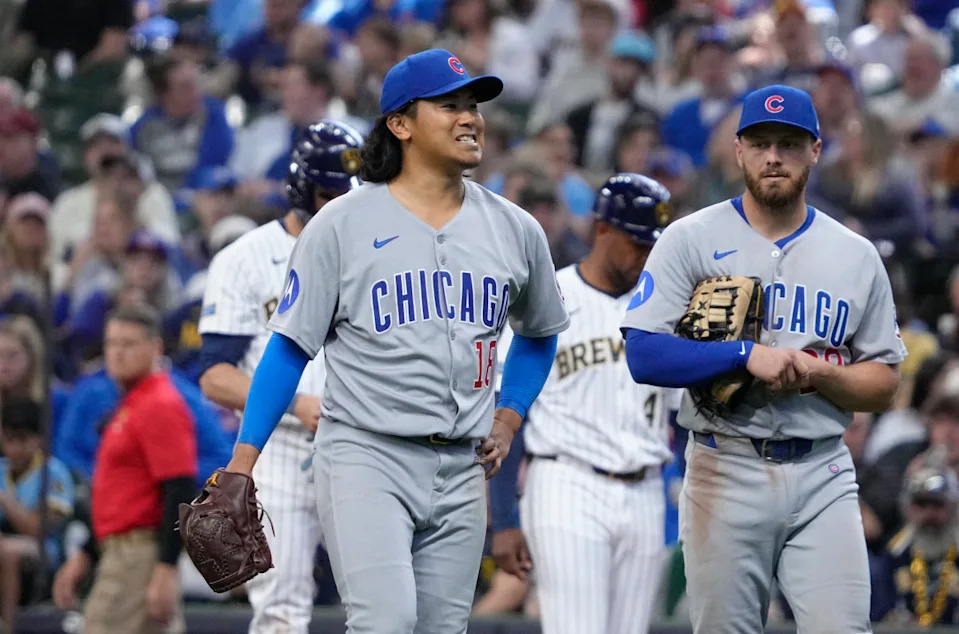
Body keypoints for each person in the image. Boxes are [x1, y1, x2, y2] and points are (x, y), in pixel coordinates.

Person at [215, 48, 568, 633]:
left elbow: (539, 334)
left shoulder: (515, 227)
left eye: (473, 106)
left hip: (462, 464)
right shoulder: (342, 223)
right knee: (384, 622)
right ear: (400, 125)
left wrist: (509, 418)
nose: (469, 118)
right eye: (449, 105)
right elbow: (288, 347)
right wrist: (243, 461)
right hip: (365, 452)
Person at [620, 84, 907, 633]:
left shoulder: (855, 253)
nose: (774, 157)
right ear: (739, 150)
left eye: (789, 144)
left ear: (815, 150)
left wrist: (823, 374)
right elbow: (644, 353)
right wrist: (743, 354)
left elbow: (883, 383)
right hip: (724, 465)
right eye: (761, 143)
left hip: (822, 467)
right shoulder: (690, 238)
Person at [489, 173, 680, 633]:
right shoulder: (550, 295)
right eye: (636, 242)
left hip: (646, 491)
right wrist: (504, 519)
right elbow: (511, 412)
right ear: (602, 230)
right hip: (566, 481)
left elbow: (684, 420)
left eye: (654, 244)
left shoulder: (669, 308)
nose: (645, 255)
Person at [196, 120, 365, 634]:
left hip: (362, 443)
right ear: (302, 189)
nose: (340, 201)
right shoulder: (244, 258)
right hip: (281, 449)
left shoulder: (373, 249)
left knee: (381, 605)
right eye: (329, 192)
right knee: (281, 611)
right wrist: (295, 404)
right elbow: (214, 376)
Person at [51, 304, 198, 634]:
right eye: (111, 343)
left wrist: (164, 568)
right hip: (120, 549)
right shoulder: (132, 403)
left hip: (137, 555)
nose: (117, 353)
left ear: (156, 348)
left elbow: (180, 489)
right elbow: (117, 493)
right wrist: (86, 553)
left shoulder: (159, 404)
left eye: (128, 344)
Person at [0, 398, 75, 633]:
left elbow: (37, 529)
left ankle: (10, 627)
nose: (15, 448)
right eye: (9, 439)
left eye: (23, 440)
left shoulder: (53, 473)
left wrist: (5, 500)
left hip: (44, 549)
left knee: (7, 552)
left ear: (39, 439)